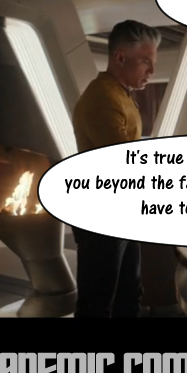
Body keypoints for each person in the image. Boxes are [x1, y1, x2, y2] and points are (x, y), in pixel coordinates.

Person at [71, 20, 160, 317]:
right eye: (145, 61)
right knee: (98, 305)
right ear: (120, 57)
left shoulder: (121, 94)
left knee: (128, 296)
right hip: (101, 215)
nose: (152, 70)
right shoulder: (103, 97)